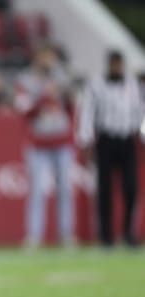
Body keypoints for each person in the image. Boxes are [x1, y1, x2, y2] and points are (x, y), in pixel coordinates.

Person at [77, 50, 145, 248]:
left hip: (126, 140)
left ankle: (128, 233)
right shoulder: (97, 85)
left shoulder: (134, 85)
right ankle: (106, 236)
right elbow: (87, 112)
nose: (116, 68)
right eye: (113, 64)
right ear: (109, 65)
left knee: (131, 189)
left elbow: (141, 111)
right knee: (104, 190)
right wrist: (85, 139)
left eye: (119, 64)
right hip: (106, 140)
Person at [14, 44, 76, 249]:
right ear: (36, 57)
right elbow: (22, 108)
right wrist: (43, 97)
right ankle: (34, 235)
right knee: (37, 190)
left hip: (61, 140)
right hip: (38, 142)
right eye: (44, 56)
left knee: (65, 189)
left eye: (50, 56)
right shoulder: (26, 79)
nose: (47, 61)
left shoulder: (63, 77)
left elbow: (73, 103)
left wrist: (62, 91)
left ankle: (66, 234)